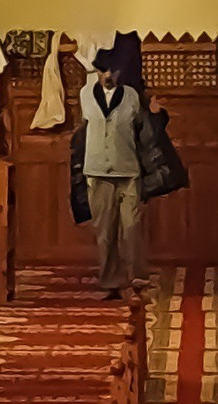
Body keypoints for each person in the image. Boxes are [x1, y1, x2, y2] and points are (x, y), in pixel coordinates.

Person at [70, 49, 188, 300]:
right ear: (97, 72)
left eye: (113, 70)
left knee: (131, 228)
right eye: (103, 71)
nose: (108, 75)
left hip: (128, 172)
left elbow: (146, 133)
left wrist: (159, 118)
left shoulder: (132, 97)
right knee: (105, 232)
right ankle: (111, 282)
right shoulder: (84, 96)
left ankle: (138, 281)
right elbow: (83, 133)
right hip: (97, 172)